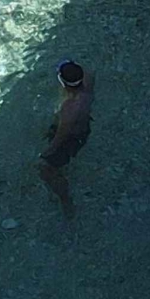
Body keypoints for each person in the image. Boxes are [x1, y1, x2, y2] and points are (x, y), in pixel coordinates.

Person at [38, 60, 94, 218]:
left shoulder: (69, 107)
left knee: (44, 168)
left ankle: (65, 200)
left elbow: (62, 134)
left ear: (63, 82)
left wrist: (47, 151)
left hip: (71, 137)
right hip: (82, 128)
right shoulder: (87, 83)